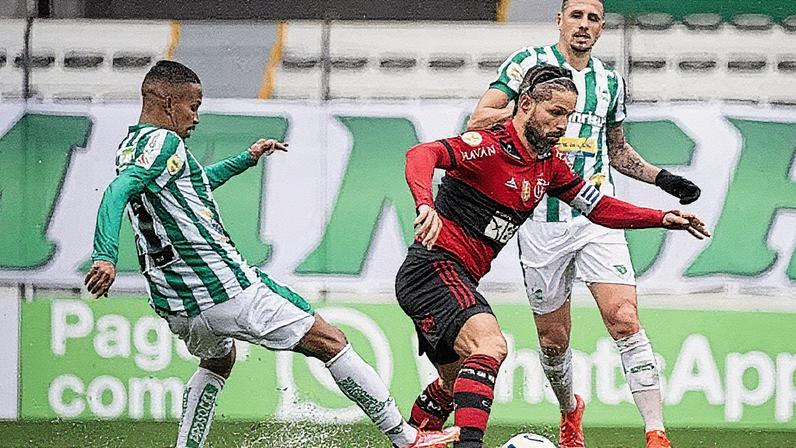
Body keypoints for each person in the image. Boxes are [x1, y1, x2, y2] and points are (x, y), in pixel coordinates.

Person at [84, 60, 460, 448]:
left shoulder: (132, 146)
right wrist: (105, 256)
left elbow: (193, 185)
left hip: (178, 305)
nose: (196, 117)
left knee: (218, 360)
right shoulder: (167, 143)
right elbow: (116, 193)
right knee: (332, 342)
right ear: (166, 102)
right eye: (192, 106)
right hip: (224, 288)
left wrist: (245, 159)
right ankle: (404, 438)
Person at [399, 64, 709, 448]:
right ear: (526, 105)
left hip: (453, 277)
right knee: (491, 346)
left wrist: (662, 217)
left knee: (453, 381)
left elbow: (599, 209)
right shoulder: (488, 146)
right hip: (434, 268)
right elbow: (421, 153)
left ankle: (405, 440)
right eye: (555, 113)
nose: (564, 125)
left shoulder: (547, 167)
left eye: (569, 115)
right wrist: (425, 204)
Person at [467, 1, 703, 447]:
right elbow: (478, 119)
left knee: (624, 318)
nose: (584, 25)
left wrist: (664, 179)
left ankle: (656, 433)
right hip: (540, 220)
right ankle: (568, 410)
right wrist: (526, 115)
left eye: (593, 18)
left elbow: (615, 150)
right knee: (554, 341)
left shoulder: (609, 82)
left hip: (596, 216)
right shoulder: (526, 64)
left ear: (601, 28)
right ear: (560, 20)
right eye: (576, 15)